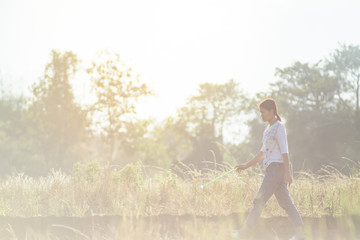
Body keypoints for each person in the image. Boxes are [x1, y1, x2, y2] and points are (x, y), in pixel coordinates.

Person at [234, 98, 305, 240]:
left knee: (258, 201)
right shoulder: (267, 130)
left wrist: (287, 173)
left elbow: (285, 151)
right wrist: (246, 165)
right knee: (286, 203)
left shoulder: (279, 127)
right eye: (260, 112)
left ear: (272, 111)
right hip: (272, 170)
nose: (261, 115)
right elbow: (262, 153)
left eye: (263, 112)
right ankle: (300, 235)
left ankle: (243, 233)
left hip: (275, 169)